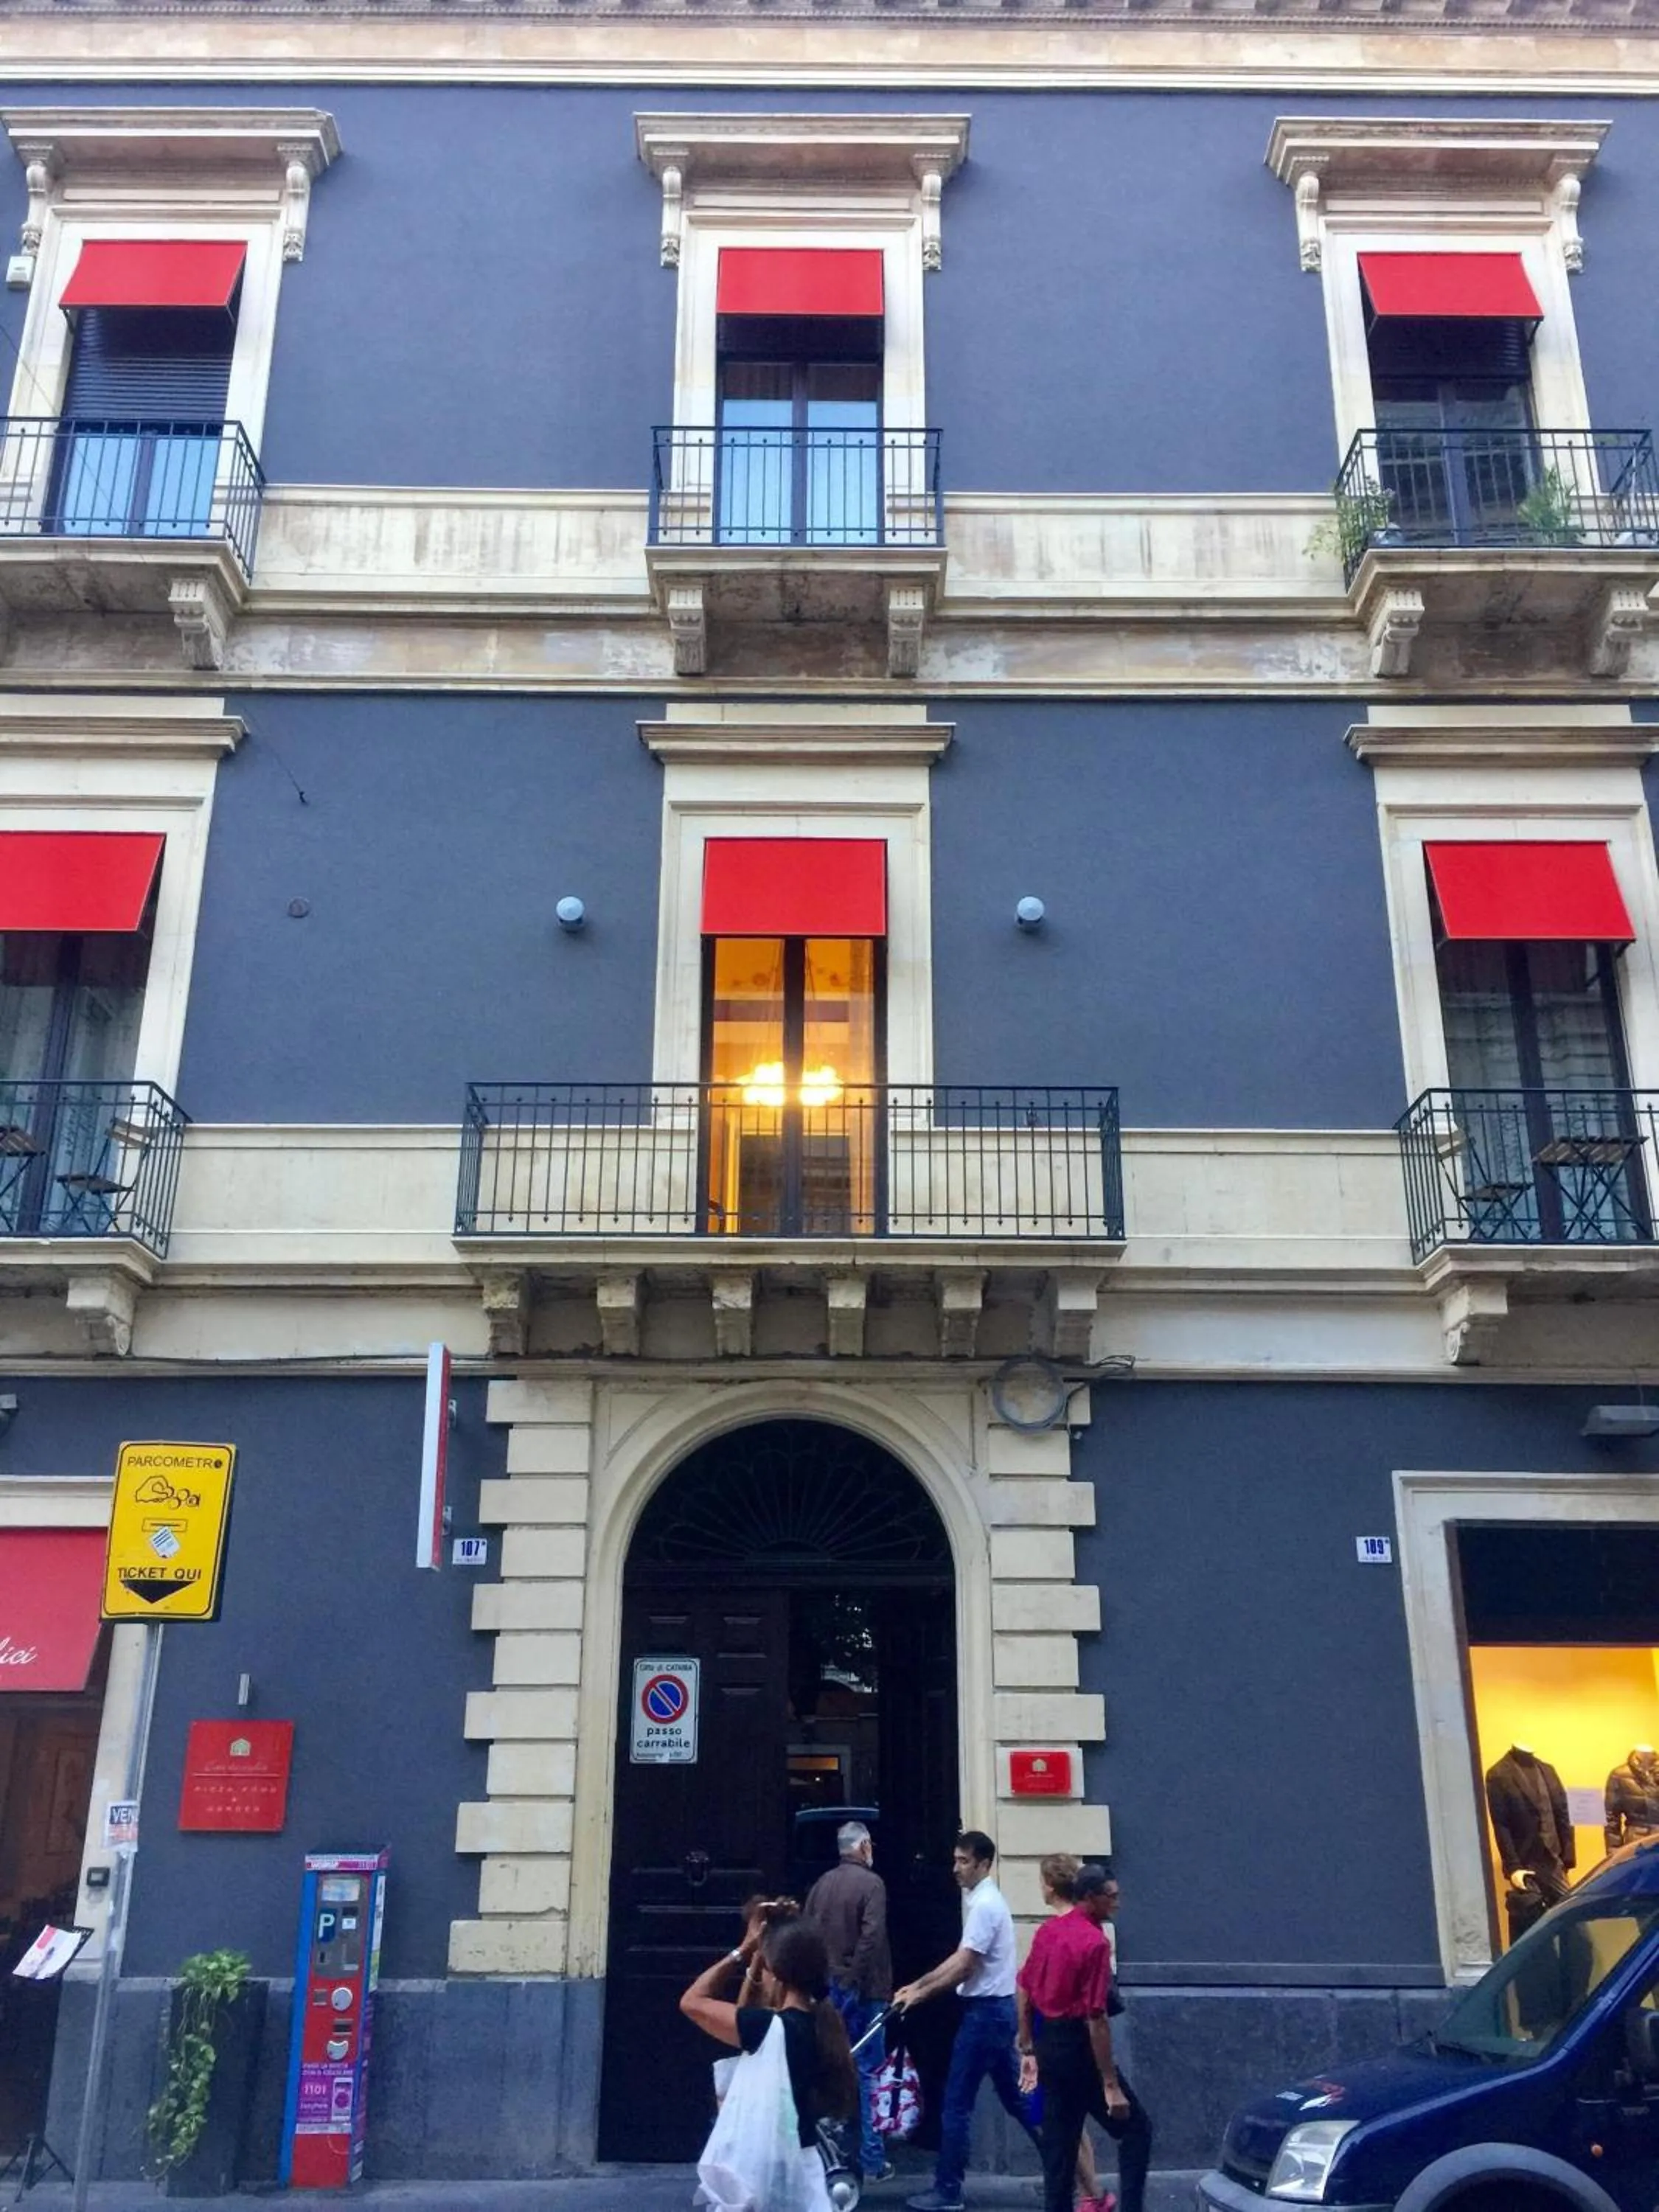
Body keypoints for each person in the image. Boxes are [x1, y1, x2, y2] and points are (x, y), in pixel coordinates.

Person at [892, 1830, 1040, 2212]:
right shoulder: (982, 1902)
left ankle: (947, 2191)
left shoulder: (985, 1906)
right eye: (955, 1860)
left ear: (984, 1864)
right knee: (1018, 2102)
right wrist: (918, 1985)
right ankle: (1066, 2167)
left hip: (985, 2015)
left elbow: (964, 1965)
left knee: (956, 2104)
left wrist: (920, 1991)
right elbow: (962, 1961)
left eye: (963, 1862)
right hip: (994, 2012)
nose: (955, 1868)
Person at [681, 1912, 858, 2211]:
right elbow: (746, 2013)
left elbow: (692, 2000)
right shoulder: (821, 2025)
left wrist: (744, 1950)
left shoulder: (766, 2028)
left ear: (775, 1971)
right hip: (803, 2164)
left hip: (762, 2168)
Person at [1015, 1863, 1152, 2212]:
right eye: (1112, 1897)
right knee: (1136, 2131)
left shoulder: (1049, 1931)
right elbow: (1096, 2017)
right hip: (1080, 2048)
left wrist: (1028, 2044)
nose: (1117, 1904)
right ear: (1090, 1898)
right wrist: (1109, 2083)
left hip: (1050, 2045)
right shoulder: (1095, 1942)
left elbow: (1024, 1987)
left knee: (1059, 2151)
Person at [804, 1819, 894, 2183]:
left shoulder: (821, 1885)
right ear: (864, 1847)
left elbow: (807, 1934)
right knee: (871, 2072)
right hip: (867, 1991)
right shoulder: (873, 1884)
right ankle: (873, 2159)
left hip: (826, 1990)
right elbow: (872, 1937)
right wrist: (854, 1979)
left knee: (831, 2069)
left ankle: (830, 2149)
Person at [1034, 1853, 1110, 2212]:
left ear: (1050, 1887)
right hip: (1074, 2034)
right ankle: (1090, 2194)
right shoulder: (1085, 1925)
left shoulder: (1056, 1929)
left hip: (1059, 2033)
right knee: (1073, 2122)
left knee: (1062, 2121)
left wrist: (1028, 2044)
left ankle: (1091, 2193)